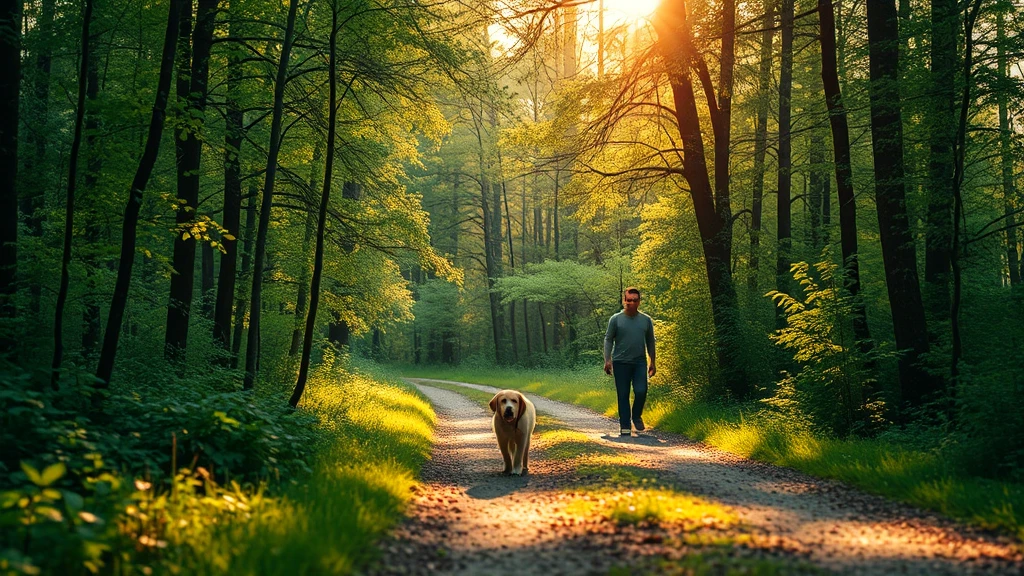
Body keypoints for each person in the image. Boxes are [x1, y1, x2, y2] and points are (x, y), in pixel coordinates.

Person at [603, 287, 656, 437]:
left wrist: (652, 362)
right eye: (629, 300)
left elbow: (650, 341)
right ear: (624, 301)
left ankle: (637, 416)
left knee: (641, 390)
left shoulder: (646, 320)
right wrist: (607, 360)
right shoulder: (616, 319)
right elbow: (608, 339)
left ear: (639, 302)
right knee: (623, 394)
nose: (631, 303)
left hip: (639, 362)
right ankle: (625, 425)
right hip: (620, 362)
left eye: (635, 300)